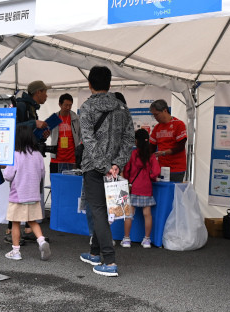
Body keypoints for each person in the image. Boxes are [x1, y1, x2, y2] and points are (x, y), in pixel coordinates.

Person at [78, 66, 135, 277]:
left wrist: (104, 166)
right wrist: (116, 164)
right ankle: (94, 253)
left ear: (89, 84)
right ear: (109, 84)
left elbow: (89, 141)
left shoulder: (87, 107)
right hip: (114, 169)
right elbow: (129, 138)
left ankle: (109, 261)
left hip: (94, 168)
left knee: (98, 211)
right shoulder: (122, 107)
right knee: (101, 210)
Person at [2, 125, 51, 261]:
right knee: (32, 221)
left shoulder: (15, 154)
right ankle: (41, 241)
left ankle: (16, 251)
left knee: (15, 222)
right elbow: (42, 174)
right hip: (33, 194)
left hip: (18, 195)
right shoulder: (38, 155)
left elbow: (8, 175)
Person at [121, 128, 160, 248]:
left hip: (134, 188)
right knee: (147, 214)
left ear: (136, 141)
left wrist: (128, 179)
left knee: (129, 214)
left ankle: (126, 239)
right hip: (146, 188)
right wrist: (150, 177)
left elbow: (126, 170)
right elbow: (156, 171)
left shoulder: (133, 154)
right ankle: (147, 240)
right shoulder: (151, 156)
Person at [149, 99, 188, 182]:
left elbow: (181, 146)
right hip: (161, 168)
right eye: (153, 115)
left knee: (174, 190)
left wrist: (164, 153)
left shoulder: (179, 124)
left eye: (156, 114)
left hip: (177, 169)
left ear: (165, 111)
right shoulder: (157, 128)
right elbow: (151, 147)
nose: (155, 117)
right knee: (162, 189)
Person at [50, 93, 81, 173]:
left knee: (71, 180)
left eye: (70, 105)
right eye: (66, 105)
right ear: (60, 104)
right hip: (56, 159)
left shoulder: (76, 118)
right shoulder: (54, 118)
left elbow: (81, 135)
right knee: (56, 180)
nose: (68, 108)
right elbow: (47, 133)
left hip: (72, 158)